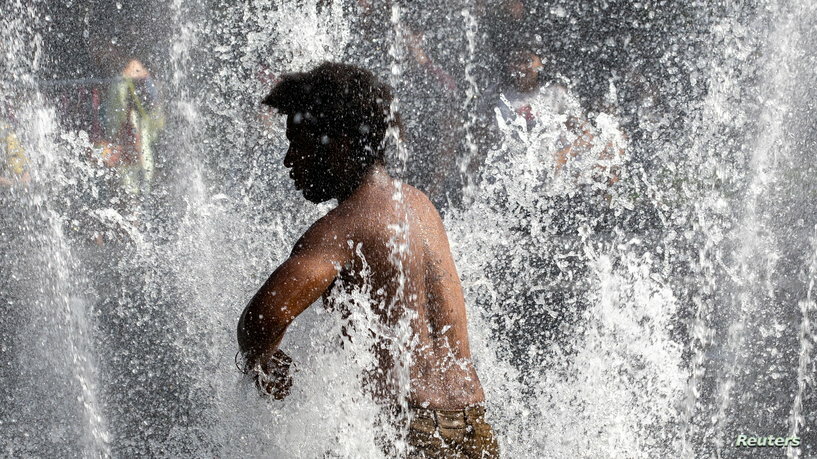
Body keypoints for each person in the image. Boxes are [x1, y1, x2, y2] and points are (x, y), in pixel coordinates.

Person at [236, 63, 499, 458]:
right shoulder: (420, 207)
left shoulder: (342, 228)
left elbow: (260, 320)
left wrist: (268, 362)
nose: (289, 160)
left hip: (410, 432)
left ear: (339, 144)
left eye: (298, 143)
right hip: (473, 427)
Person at [101, 58, 164, 197]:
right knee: (131, 179)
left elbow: (151, 112)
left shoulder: (131, 75)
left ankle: (136, 199)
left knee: (135, 177)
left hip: (134, 133)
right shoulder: (123, 79)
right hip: (129, 135)